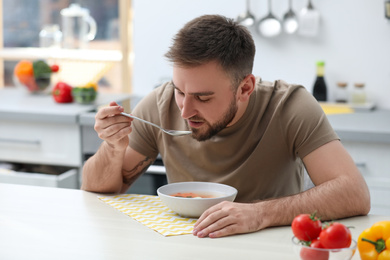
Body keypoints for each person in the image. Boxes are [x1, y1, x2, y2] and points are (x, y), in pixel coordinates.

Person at [81, 14, 370, 238]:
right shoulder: (160, 104)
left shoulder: (290, 106)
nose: (184, 109)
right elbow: (98, 189)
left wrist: (260, 214)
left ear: (245, 88)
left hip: (269, 244)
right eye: (179, 90)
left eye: (203, 97)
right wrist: (113, 147)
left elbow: (354, 193)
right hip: (184, 243)